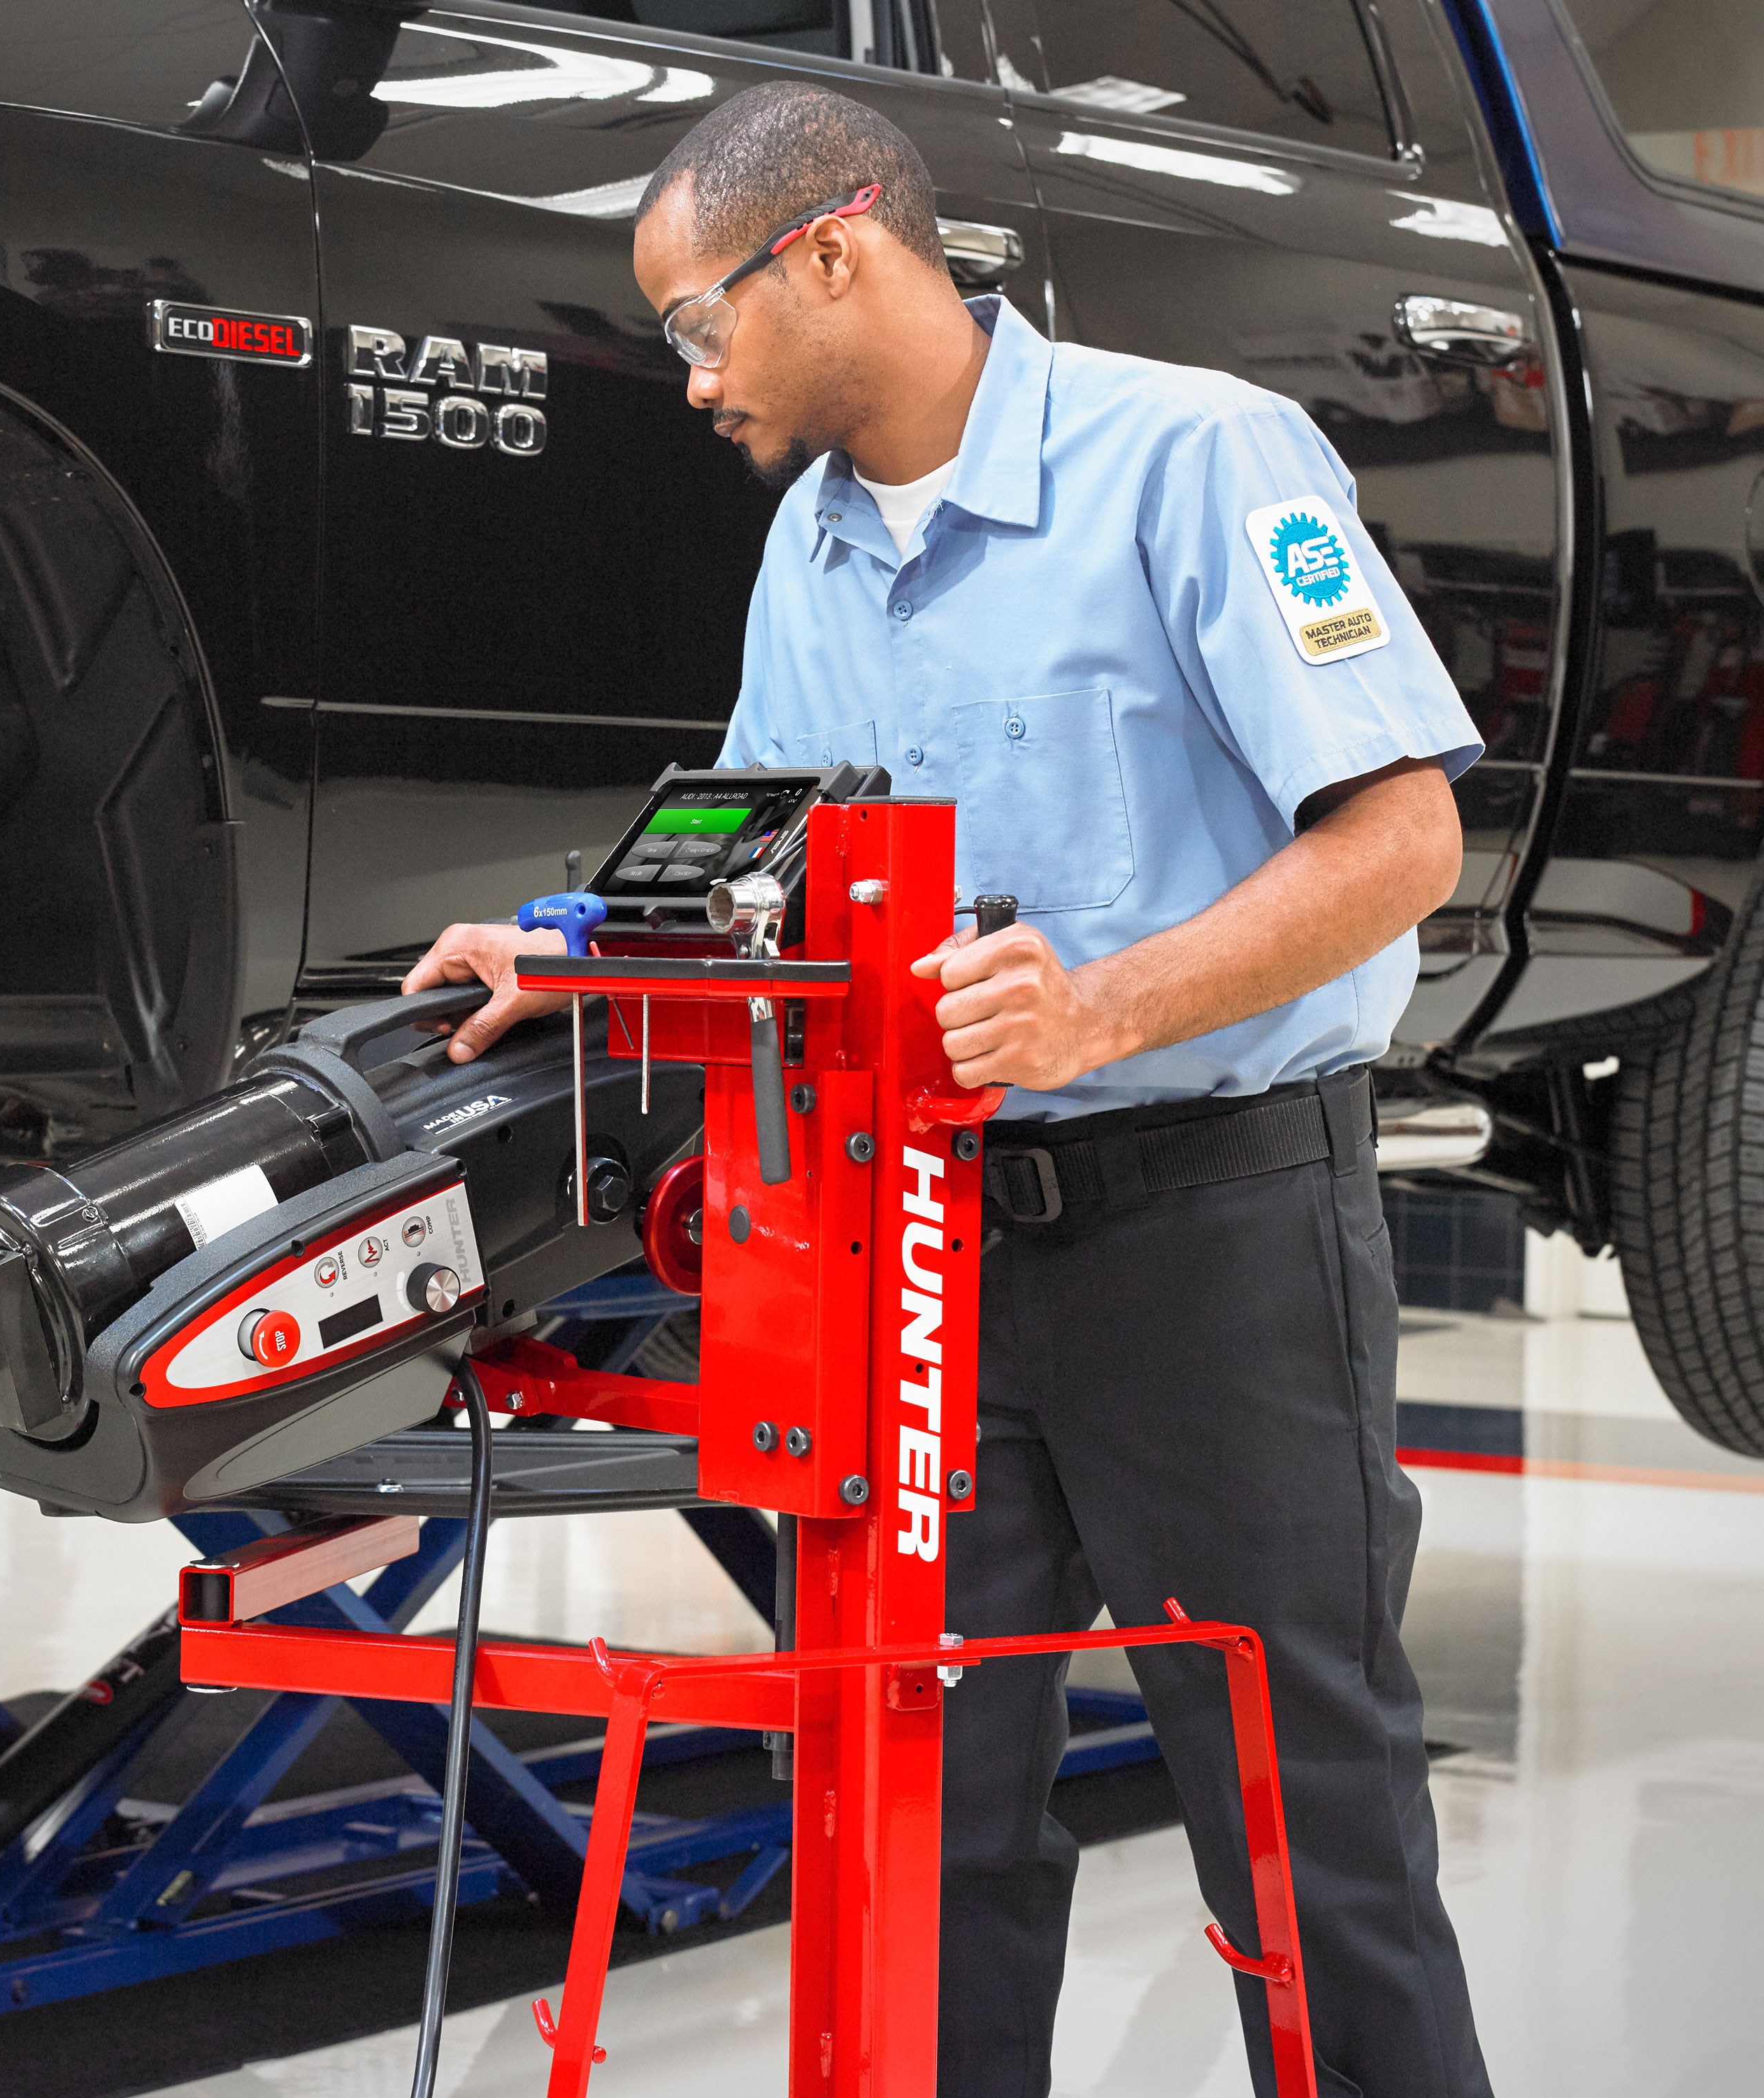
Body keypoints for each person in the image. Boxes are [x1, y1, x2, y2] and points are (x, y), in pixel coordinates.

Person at [403, 81, 1493, 2098]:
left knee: (1300, 1818)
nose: (693, 374)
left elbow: (1405, 841)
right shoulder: (812, 552)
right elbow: (760, 887)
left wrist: (1101, 1010)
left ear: (832, 249)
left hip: (1216, 1239)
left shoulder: (1198, 458)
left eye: (697, 320)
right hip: (922, 1263)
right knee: (921, 1826)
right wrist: (559, 953)